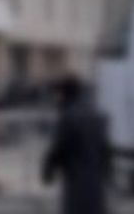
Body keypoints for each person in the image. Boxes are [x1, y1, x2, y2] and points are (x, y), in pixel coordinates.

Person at [42, 75, 110, 214]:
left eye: (58, 93)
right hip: (95, 180)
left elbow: (60, 147)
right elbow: (105, 149)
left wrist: (48, 169)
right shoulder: (96, 114)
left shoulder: (68, 116)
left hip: (76, 179)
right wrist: (107, 171)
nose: (56, 98)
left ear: (65, 93)